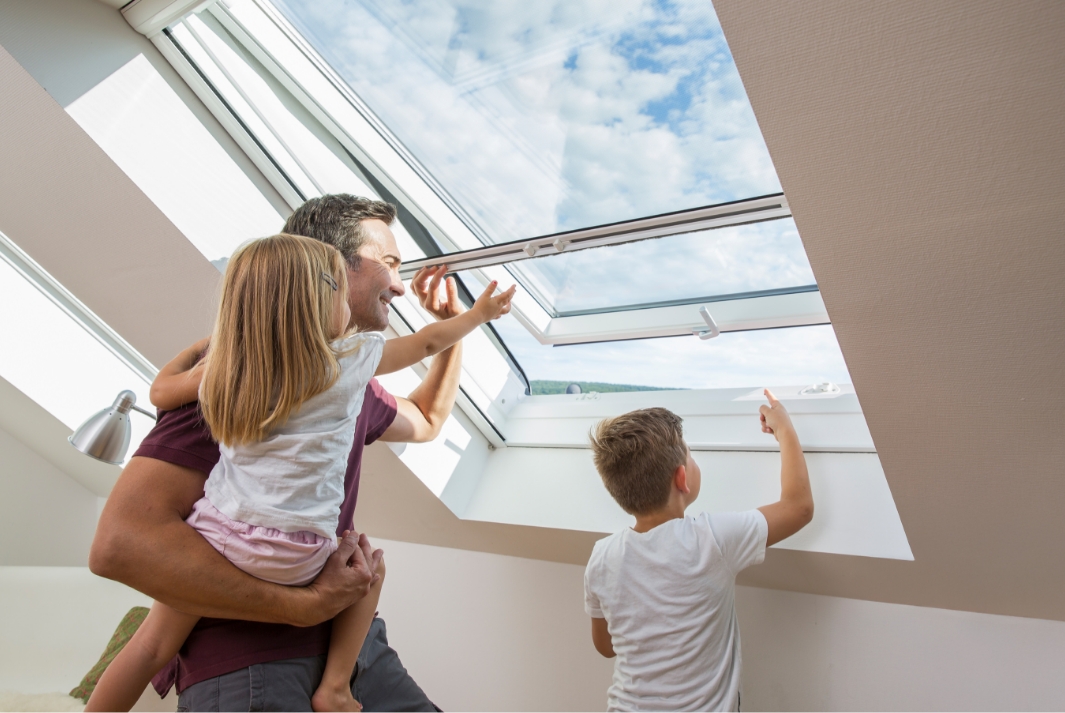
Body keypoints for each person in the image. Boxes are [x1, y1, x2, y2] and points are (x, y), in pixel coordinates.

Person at [85, 234, 514, 712]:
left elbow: (428, 419)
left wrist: (222, 340)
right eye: (388, 262)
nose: (398, 282)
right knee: (365, 566)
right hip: (253, 651)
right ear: (332, 284)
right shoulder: (349, 368)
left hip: (236, 544)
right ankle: (334, 687)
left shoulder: (235, 373)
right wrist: (470, 319)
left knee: (149, 647)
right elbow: (117, 549)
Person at [584, 391, 814, 712]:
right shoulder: (713, 540)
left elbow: (605, 646)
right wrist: (785, 429)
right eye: (690, 456)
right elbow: (798, 507)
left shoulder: (602, 556)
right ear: (682, 478)